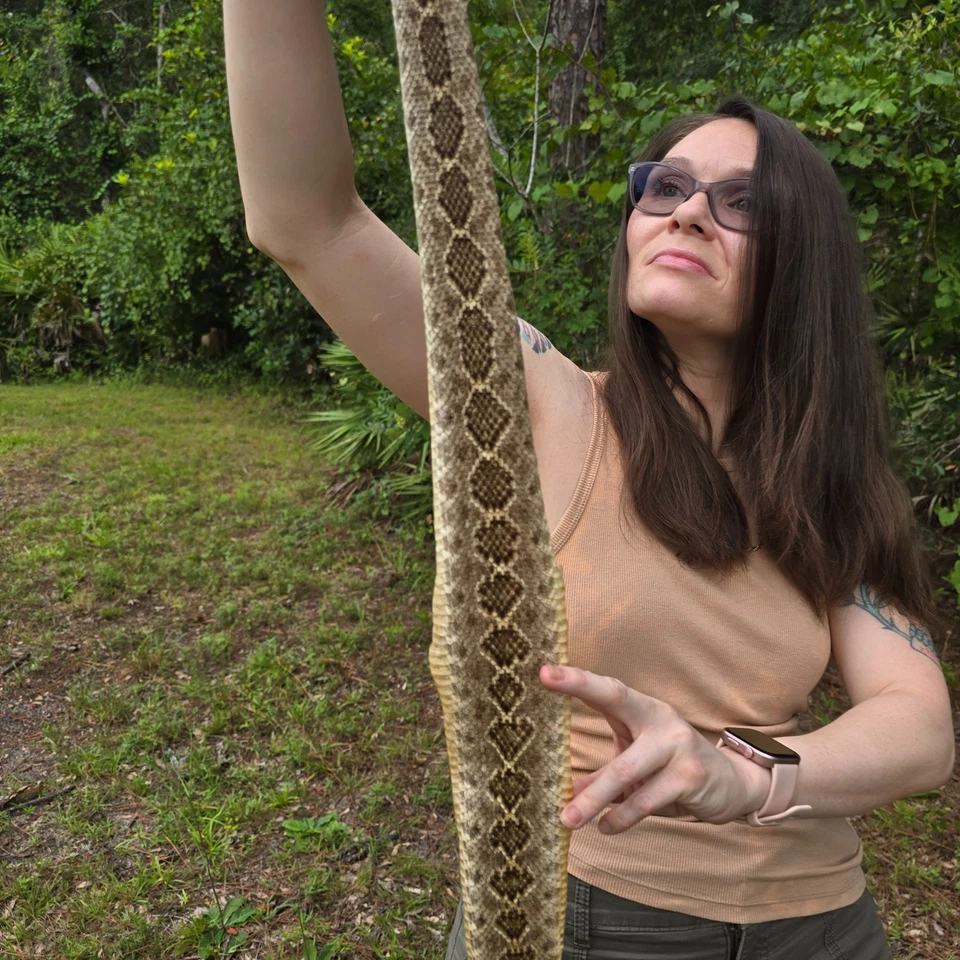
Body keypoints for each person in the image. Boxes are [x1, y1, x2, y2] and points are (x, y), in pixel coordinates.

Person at [222, 3, 956, 958]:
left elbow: (919, 728)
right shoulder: (538, 401)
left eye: (742, 202)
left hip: (826, 928)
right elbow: (305, 221)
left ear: (803, 260)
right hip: (598, 923)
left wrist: (743, 774)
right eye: (667, 186)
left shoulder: (824, 481)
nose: (688, 209)